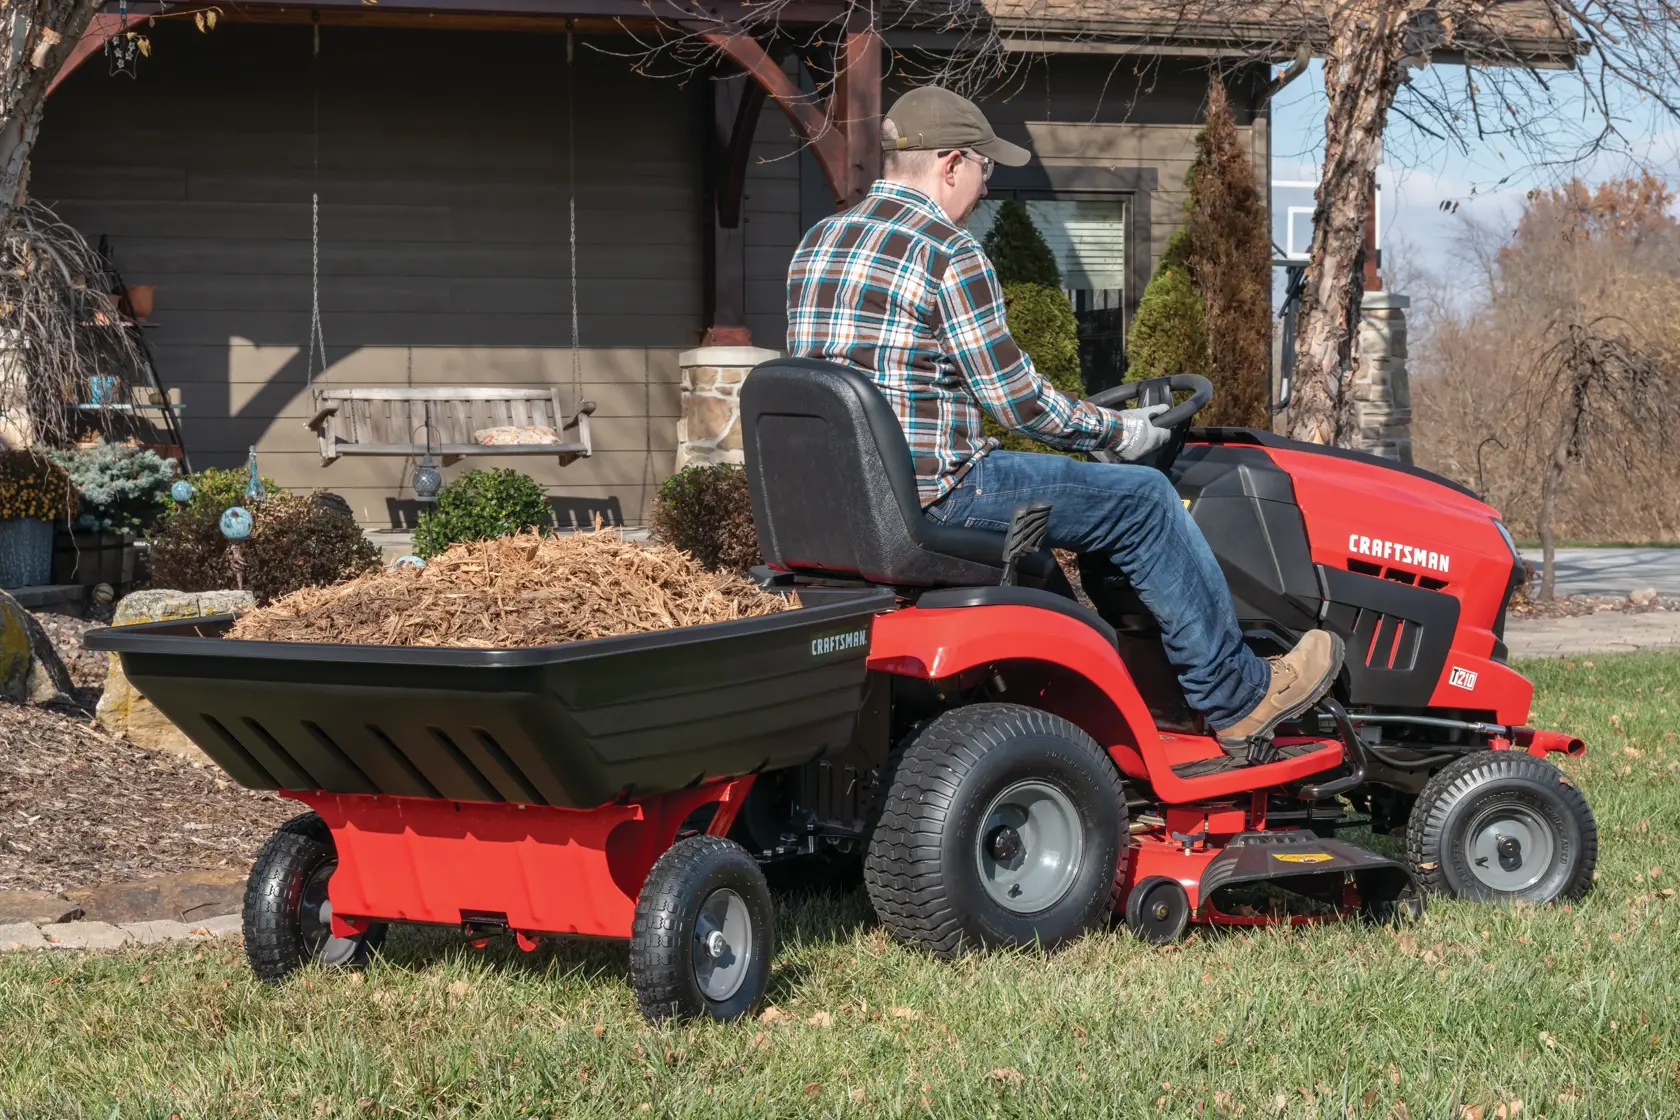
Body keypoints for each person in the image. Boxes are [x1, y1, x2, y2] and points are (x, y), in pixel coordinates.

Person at [784, 84, 1344, 761]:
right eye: (985, 171)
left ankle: (1091, 712)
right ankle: (1237, 694)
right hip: (940, 491)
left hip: (845, 508)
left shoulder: (819, 242)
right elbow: (1017, 400)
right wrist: (1123, 433)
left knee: (1045, 561)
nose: (985, 190)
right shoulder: (947, 253)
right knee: (1144, 502)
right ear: (952, 163)